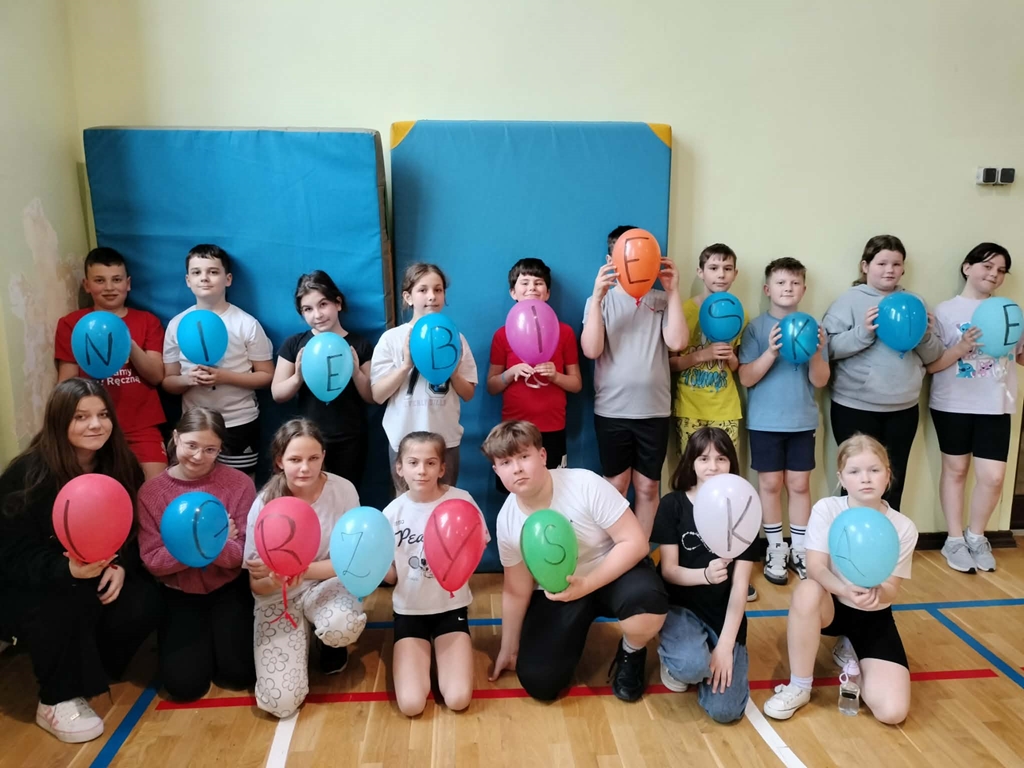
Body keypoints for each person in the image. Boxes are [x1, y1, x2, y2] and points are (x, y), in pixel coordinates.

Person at [0, 378, 161, 743]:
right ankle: (55, 698)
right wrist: (66, 569)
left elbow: (132, 529)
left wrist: (121, 565)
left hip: (98, 573)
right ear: (60, 422)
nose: (95, 425)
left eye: (103, 415)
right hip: (38, 584)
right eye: (81, 417)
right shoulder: (28, 474)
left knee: (144, 601)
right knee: (61, 603)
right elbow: (11, 553)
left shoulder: (120, 464)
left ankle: (92, 669)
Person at [484, 420, 668, 703]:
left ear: (542, 456)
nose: (517, 468)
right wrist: (509, 649)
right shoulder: (508, 520)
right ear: (497, 471)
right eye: (506, 462)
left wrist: (588, 584)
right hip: (560, 590)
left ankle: (632, 651)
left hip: (612, 572)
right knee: (539, 682)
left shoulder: (584, 484)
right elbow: (516, 590)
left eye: (523, 456)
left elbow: (635, 543)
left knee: (647, 600)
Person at [763, 435, 918, 724]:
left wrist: (877, 592)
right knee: (807, 590)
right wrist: (845, 589)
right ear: (841, 478)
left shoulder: (903, 527)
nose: (865, 479)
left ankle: (856, 655)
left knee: (892, 713)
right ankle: (799, 686)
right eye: (855, 471)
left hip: (873, 615)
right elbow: (815, 568)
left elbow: (891, 589)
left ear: (888, 475)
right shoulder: (827, 509)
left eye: (874, 470)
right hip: (832, 605)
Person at [244, 419, 367, 718]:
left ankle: (328, 642)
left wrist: (302, 570)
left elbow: (348, 562)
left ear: (323, 456)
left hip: (325, 584)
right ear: (279, 461)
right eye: (295, 460)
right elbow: (256, 585)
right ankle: (300, 637)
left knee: (343, 625)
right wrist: (276, 580)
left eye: (313, 458)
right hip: (279, 597)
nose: (305, 468)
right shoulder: (264, 504)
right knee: (281, 703)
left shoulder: (343, 490)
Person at [136, 407, 257, 700]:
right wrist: (210, 541)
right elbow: (153, 561)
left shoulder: (240, 484)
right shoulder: (151, 493)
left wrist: (191, 546)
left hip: (228, 587)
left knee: (239, 675)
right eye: (191, 445)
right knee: (185, 687)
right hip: (178, 592)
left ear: (220, 449)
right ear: (176, 437)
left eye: (210, 449)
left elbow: (241, 555)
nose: (199, 456)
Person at [822, 235, 944, 512]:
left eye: (896, 264)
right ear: (865, 266)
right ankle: (850, 534)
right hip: (855, 406)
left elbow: (933, 355)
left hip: (903, 407)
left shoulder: (915, 302)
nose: (889, 270)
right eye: (882, 263)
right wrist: (864, 333)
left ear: (903, 269)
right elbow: (827, 349)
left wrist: (925, 335)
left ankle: (889, 534)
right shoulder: (848, 301)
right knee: (856, 480)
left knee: (893, 479)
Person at [581, 226, 686, 536]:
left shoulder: (662, 300)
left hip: (654, 411)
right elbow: (591, 350)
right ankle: (615, 551)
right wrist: (597, 298)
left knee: (648, 485)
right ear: (610, 261)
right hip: (612, 410)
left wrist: (674, 291)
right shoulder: (599, 302)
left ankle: (639, 553)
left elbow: (678, 342)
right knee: (615, 484)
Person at [927, 243, 1022, 573]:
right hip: (952, 403)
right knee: (955, 471)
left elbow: (1020, 357)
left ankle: (976, 536)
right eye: (987, 266)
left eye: (1001, 270)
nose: (994, 274)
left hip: (996, 403)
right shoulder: (945, 311)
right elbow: (931, 365)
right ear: (967, 268)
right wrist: (962, 347)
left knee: (993, 478)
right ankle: (954, 540)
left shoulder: (1010, 310)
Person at [651, 427, 757, 723]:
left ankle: (707, 653)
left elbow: (740, 587)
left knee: (726, 711)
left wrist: (725, 646)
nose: (713, 466)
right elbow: (669, 571)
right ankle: (679, 659)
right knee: (690, 666)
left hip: (722, 615)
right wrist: (705, 576)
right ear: (691, 463)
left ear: (731, 463)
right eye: (704, 458)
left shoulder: (745, 510)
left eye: (721, 458)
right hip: (681, 608)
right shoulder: (673, 505)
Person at [381, 431, 489, 716]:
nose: (422, 470)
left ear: (442, 468)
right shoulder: (391, 513)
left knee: (458, 699)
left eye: (430, 463)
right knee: (411, 704)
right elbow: (391, 576)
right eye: (413, 462)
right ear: (399, 468)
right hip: (409, 612)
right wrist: (371, 566)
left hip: (451, 609)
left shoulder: (462, 501)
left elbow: (477, 549)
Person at [738, 258, 829, 584]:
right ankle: (776, 548)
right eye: (780, 283)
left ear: (803, 289)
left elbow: (821, 381)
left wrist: (815, 352)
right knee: (770, 485)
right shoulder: (756, 328)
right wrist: (772, 352)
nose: (788, 288)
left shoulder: (815, 328)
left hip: (802, 421)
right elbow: (746, 377)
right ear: (767, 289)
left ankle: (800, 549)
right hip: (765, 422)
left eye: (794, 283)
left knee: (800, 485)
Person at [672, 243, 754, 600]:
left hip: (725, 408)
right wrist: (702, 354)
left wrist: (730, 358)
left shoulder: (739, 313)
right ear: (700, 272)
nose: (721, 274)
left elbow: (739, 366)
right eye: (714, 268)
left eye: (727, 268)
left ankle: (730, 564)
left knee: (726, 488)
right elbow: (671, 362)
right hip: (690, 407)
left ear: (735, 274)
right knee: (694, 483)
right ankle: (694, 562)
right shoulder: (686, 310)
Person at [55, 247, 167, 479]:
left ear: (128, 283)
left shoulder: (147, 321)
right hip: (91, 426)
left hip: (141, 425)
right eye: (99, 280)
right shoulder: (72, 324)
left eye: (116, 280)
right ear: (87, 285)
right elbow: (66, 385)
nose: (109, 287)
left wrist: (127, 342)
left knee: (155, 492)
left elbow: (156, 375)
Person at [162, 244, 274, 476]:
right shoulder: (176, 325)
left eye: (213, 272)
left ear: (228, 279)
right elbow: (168, 381)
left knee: (240, 486)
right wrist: (188, 379)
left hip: (238, 422)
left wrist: (224, 377)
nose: (204, 278)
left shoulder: (246, 324)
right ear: (188, 280)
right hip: (194, 424)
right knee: (193, 482)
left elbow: (266, 376)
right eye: (196, 272)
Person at [370, 263, 477, 491]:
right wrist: (405, 366)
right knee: (407, 502)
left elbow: (468, 393)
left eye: (438, 290)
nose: (431, 296)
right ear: (408, 297)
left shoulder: (456, 338)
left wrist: (453, 372)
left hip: (445, 439)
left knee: (445, 500)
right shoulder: (391, 339)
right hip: (404, 440)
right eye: (423, 290)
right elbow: (378, 395)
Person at [272, 270, 374, 489]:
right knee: (309, 493)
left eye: (323, 304)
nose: (317, 314)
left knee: (346, 492)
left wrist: (356, 372)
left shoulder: (360, 344)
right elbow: (277, 393)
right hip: (307, 439)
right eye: (308, 309)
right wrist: (298, 377)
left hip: (350, 437)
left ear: (338, 303)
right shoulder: (294, 344)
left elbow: (371, 396)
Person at [487, 258, 581, 491]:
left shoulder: (564, 332)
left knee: (554, 488)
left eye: (538, 283)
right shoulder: (502, 335)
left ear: (547, 293)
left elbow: (576, 383)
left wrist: (555, 376)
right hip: (515, 428)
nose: (532, 288)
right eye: (525, 282)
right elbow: (492, 386)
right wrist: (511, 373)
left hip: (552, 427)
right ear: (513, 292)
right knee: (516, 490)